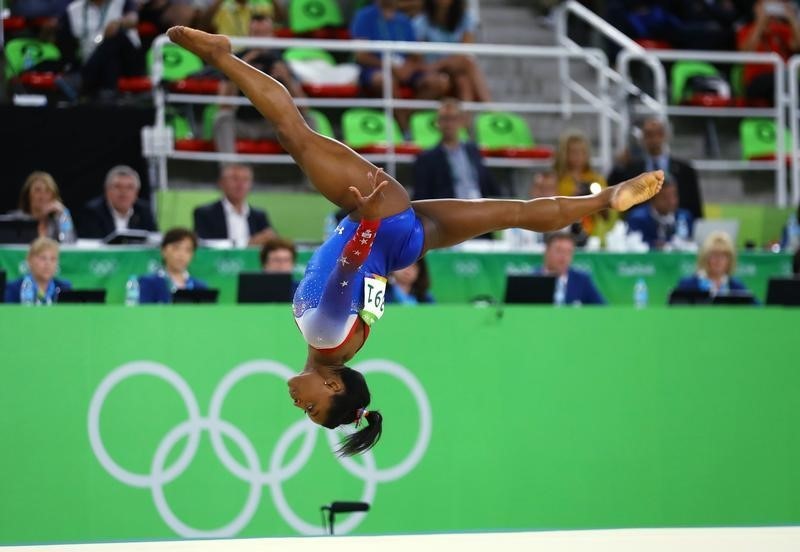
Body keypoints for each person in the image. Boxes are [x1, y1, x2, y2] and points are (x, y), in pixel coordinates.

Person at [166, 25, 662, 456]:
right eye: (315, 405)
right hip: (380, 218)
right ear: (333, 384)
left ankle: (606, 198)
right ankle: (220, 55)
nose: (301, 404)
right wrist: (365, 224)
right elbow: (344, 275)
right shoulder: (322, 337)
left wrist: (372, 246)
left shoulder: (346, 348)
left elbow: (367, 291)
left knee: (513, 214)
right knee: (294, 133)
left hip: (403, 242)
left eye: (307, 412)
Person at [213, 10, 311, 154]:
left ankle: (308, 174)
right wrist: (239, 69)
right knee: (222, 119)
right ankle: (230, 172)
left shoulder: (281, 61)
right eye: (256, 33)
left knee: (309, 120)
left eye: (264, 33)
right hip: (243, 123)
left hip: (274, 126)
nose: (260, 38)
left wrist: (287, 79)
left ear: (272, 35)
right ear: (249, 35)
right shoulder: (235, 59)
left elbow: (304, 108)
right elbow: (224, 106)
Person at [608, 116, 704, 220]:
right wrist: (618, 165)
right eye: (649, 135)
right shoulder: (630, 169)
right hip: (639, 229)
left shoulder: (685, 170)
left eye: (659, 134)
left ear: (666, 136)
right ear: (642, 138)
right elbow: (611, 191)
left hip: (678, 229)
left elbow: (695, 209)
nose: (654, 139)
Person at [351, 0, 450, 101]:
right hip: (376, 68)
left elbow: (416, 54)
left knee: (439, 83)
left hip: (405, 68)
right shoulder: (363, 17)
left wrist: (408, 68)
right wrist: (390, 66)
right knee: (385, 80)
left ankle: (408, 114)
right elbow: (361, 56)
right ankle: (402, 116)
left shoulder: (404, 20)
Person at [412, 98, 497, 200]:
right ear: (438, 123)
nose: (449, 124)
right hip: (448, 211)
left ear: (461, 121)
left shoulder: (473, 150)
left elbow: (488, 184)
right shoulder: (426, 158)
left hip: (479, 206)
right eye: (445, 119)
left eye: (453, 119)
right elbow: (421, 196)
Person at [58, 0, 146, 98]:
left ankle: (83, 80)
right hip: (95, 61)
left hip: (128, 60)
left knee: (115, 37)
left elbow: (133, 19)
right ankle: (107, 95)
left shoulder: (123, 2)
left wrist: (119, 23)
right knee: (110, 61)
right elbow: (66, 45)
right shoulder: (73, 9)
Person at [412, 0, 491, 102]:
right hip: (430, 70)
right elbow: (418, 58)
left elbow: (465, 51)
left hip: (452, 67)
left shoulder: (466, 19)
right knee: (466, 65)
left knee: (463, 80)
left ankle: (467, 116)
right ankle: (489, 105)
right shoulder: (421, 22)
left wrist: (443, 63)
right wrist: (436, 66)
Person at [553, 130, 616, 242]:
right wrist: (575, 196)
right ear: (564, 154)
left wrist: (595, 198)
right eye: (574, 152)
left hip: (594, 232)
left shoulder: (597, 179)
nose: (578, 156)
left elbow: (607, 211)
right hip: (565, 230)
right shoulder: (557, 180)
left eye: (582, 152)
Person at [193, 164, 276, 247]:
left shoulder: (259, 215)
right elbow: (204, 244)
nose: (240, 185)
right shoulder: (204, 213)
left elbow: (271, 244)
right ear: (221, 183)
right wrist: (247, 243)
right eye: (235, 179)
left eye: (245, 180)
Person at [737, 0, 800, 104]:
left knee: (788, 84)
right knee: (778, 83)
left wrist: (792, 19)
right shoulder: (746, 29)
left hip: (783, 78)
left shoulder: (781, 29)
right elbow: (746, 51)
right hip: (756, 80)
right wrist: (761, 23)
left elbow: (797, 46)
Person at [79, 165, 158, 239]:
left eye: (129, 187)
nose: (123, 192)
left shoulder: (144, 211)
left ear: (136, 193)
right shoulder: (93, 212)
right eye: (118, 186)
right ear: (107, 191)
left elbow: (153, 240)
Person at [138, 228, 208, 303]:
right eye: (176, 248)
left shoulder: (200, 287)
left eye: (188, 250)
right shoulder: (148, 283)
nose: (181, 254)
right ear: (163, 251)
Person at [537, 232, 606, 306]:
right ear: (546, 252)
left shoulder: (582, 280)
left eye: (569, 252)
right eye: (559, 251)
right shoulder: (533, 279)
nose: (564, 256)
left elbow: (603, 308)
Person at [626, 177, 694, 250]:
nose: (672, 202)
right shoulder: (638, 219)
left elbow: (687, 242)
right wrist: (654, 245)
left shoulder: (684, 217)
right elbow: (634, 246)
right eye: (665, 198)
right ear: (653, 197)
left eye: (674, 196)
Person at [675, 231, 751, 297]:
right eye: (714, 255)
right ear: (705, 257)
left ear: (730, 260)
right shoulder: (687, 285)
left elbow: (757, 309)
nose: (718, 260)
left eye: (724, 255)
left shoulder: (737, 287)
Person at [12, 171, 77, 243]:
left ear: (53, 195)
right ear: (28, 195)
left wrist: (63, 214)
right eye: (37, 190)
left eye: (47, 191)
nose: (43, 196)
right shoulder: (15, 219)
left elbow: (69, 245)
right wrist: (39, 217)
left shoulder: (58, 219)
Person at [4, 237, 72, 304]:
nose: (48, 264)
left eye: (53, 259)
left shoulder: (64, 288)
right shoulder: (14, 289)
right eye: (43, 258)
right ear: (30, 260)